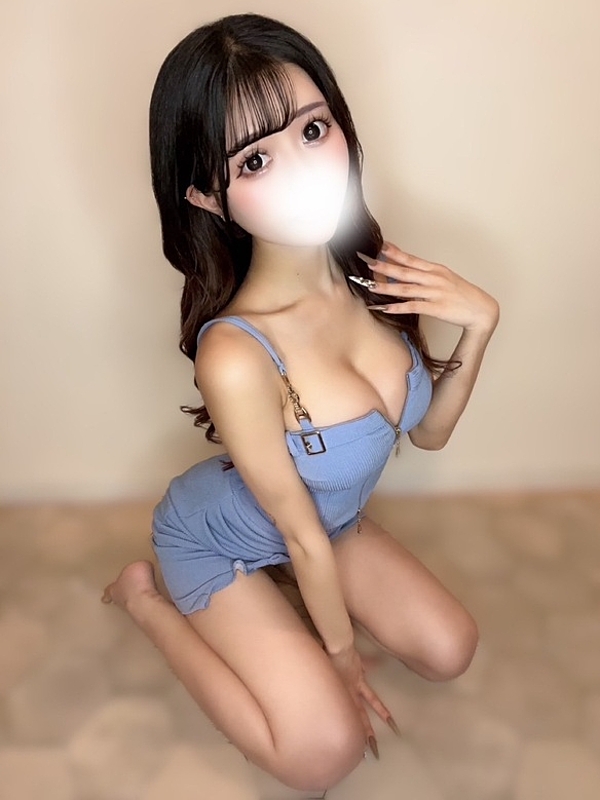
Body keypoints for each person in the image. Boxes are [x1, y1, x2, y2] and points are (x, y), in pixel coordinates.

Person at [102, 12, 499, 794]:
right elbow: (298, 530)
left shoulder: (374, 276)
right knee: (323, 753)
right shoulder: (235, 353)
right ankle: (145, 600)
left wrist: (481, 325)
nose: (305, 170)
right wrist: (339, 657)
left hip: (325, 527)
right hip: (216, 539)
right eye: (255, 159)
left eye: (313, 131)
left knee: (451, 647)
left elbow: (429, 435)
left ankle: (284, 590)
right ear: (206, 196)